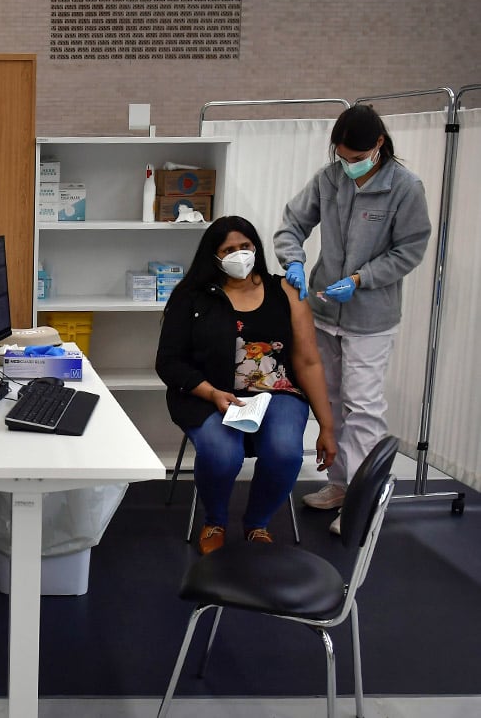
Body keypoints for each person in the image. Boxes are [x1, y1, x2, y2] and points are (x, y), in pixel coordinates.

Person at [274, 105, 431, 534]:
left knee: (363, 408)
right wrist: (293, 261)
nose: (347, 163)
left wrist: (362, 278)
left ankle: (363, 504)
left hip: (371, 319)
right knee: (330, 402)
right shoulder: (330, 178)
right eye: (341, 154)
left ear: (378, 144)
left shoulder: (405, 187)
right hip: (324, 311)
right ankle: (340, 485)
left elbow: (410, 250)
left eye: (355, 155)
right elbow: (292, 223)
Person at [156, 216, 336, 555]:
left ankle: (257, 524)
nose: (239, 254)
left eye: (245, 246)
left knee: (284, 452)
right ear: (214, 256)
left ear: (257, 247)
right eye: (228, 249)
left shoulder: (285, 291)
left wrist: (326, 424)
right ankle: (215, 521)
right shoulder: (192, 297)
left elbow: (308, 361)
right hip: (210, 393)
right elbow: (168, 362)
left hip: (277, 392)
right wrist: (210, 392)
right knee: (222, 453)